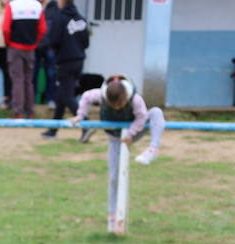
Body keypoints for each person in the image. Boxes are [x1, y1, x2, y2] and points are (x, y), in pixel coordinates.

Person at [69, 76, 164, 226]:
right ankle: (112, 215)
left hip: (133, 130)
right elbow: (86, 96)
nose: (118, 108)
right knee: (114, 177)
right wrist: (81, 115)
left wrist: (131, 134)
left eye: (120, 104)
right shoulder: (101, 94)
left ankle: (152, 149)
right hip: (114, 135)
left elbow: (141, 117)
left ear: (126, 96)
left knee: (156, 112)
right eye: (114, 105)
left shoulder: (136, 99)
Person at [38, 0, 86, 138]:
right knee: (61, 96)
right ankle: (53, 130)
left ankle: (86, 124)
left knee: (66, 96)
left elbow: (53, 40)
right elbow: (86, 42)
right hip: (79, 60)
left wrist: (43, 46)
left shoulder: (59, 17)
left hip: (65, 62)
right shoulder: (80, 18)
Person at [1, 0, 45, 119]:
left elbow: (5, 29)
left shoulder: (12, 6)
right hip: (30, 48)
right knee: (28, 81)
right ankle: (30, 111)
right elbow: (42, 29)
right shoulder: (37, 6)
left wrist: (8, 43)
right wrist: (35, 43)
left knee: (17, 80)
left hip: (15, 47)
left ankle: (18, 112)